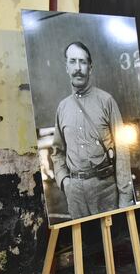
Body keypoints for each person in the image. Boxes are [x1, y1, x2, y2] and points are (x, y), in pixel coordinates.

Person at [51, 41, 134, 218]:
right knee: (84, 242)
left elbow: (122, 149)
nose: (78, 67)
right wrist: (65, 182)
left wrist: (125, 197)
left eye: (82, 62)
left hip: (106, 191)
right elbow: (57, 152)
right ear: (66, 67)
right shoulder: (62, 108)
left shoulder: (106, 101)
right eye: (72, 61)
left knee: (111, 243)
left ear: (90, 67)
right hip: (75, 196)